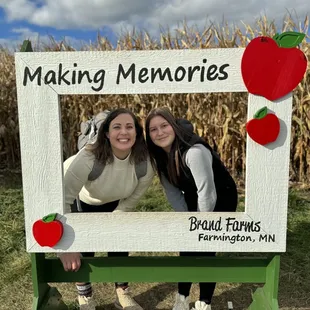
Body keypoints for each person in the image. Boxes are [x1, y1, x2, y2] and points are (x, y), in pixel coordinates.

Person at [59, 108, 155, 310]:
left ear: (137, 133)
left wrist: (115, 220)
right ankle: (85, 296)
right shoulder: (88, 158)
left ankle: (122, 293)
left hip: (116, 199)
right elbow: (63, 199)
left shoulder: (145, 163)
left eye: (129, 127)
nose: (123, 132)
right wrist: (67, 244)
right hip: (82, 199)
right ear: (106, 133)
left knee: (119, 243)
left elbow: (134, 197)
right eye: (117, 127)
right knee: (84, 250)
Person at [145, 107, 238, 310]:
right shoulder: (159, 157)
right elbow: (173, 193)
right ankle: (182, 298)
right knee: (185, 246)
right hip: (193, 194)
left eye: (164, 126)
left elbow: (207, 192)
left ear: (174, 126)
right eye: (153, 129)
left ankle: (205, 302)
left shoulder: (194, 152)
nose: (159, 132)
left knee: (206, 247)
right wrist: (186, 223)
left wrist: (200, 227)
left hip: (221, 195)